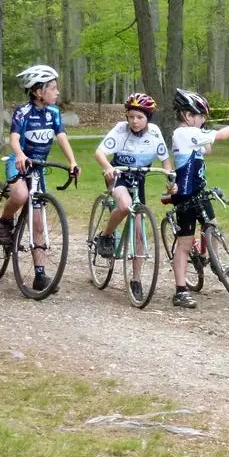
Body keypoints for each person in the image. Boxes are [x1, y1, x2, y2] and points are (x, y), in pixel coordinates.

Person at [0, 64, 80, 292]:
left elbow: (61, 138)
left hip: (38, 168)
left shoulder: (54, 113)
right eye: (52, 88)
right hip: (19, 163)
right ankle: (4, 221)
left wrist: (72, 162)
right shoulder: (22, 112)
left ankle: (40, 275)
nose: (57, 92)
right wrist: (20, 154)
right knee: (20, 194)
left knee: (38, 224)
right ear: (38, 91)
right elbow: (13, 140)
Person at [92, 93, 174, 301]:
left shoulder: (154, 132)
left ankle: (136, 279)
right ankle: (106, 235)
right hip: (119, 177)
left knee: (139, 232)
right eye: (131, 117)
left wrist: (170, 178)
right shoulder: (120, 130)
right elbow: (99, 153)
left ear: (148, 118)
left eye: (139, 117)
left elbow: (165, 159)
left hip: (139, 181)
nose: (134, 122)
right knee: (125, 205)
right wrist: (108, 168)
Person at [169, 89, 229, 308]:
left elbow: (208, 149)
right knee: (184, 244)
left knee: (212, 226)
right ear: (187, 115)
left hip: (200, 193)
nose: (203, 120)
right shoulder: (182, 133)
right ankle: (180, 290)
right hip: (184, 196)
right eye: (200, 116)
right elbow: (220, 136)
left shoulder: (192, 134)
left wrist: (203, 129)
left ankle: (213, 259)